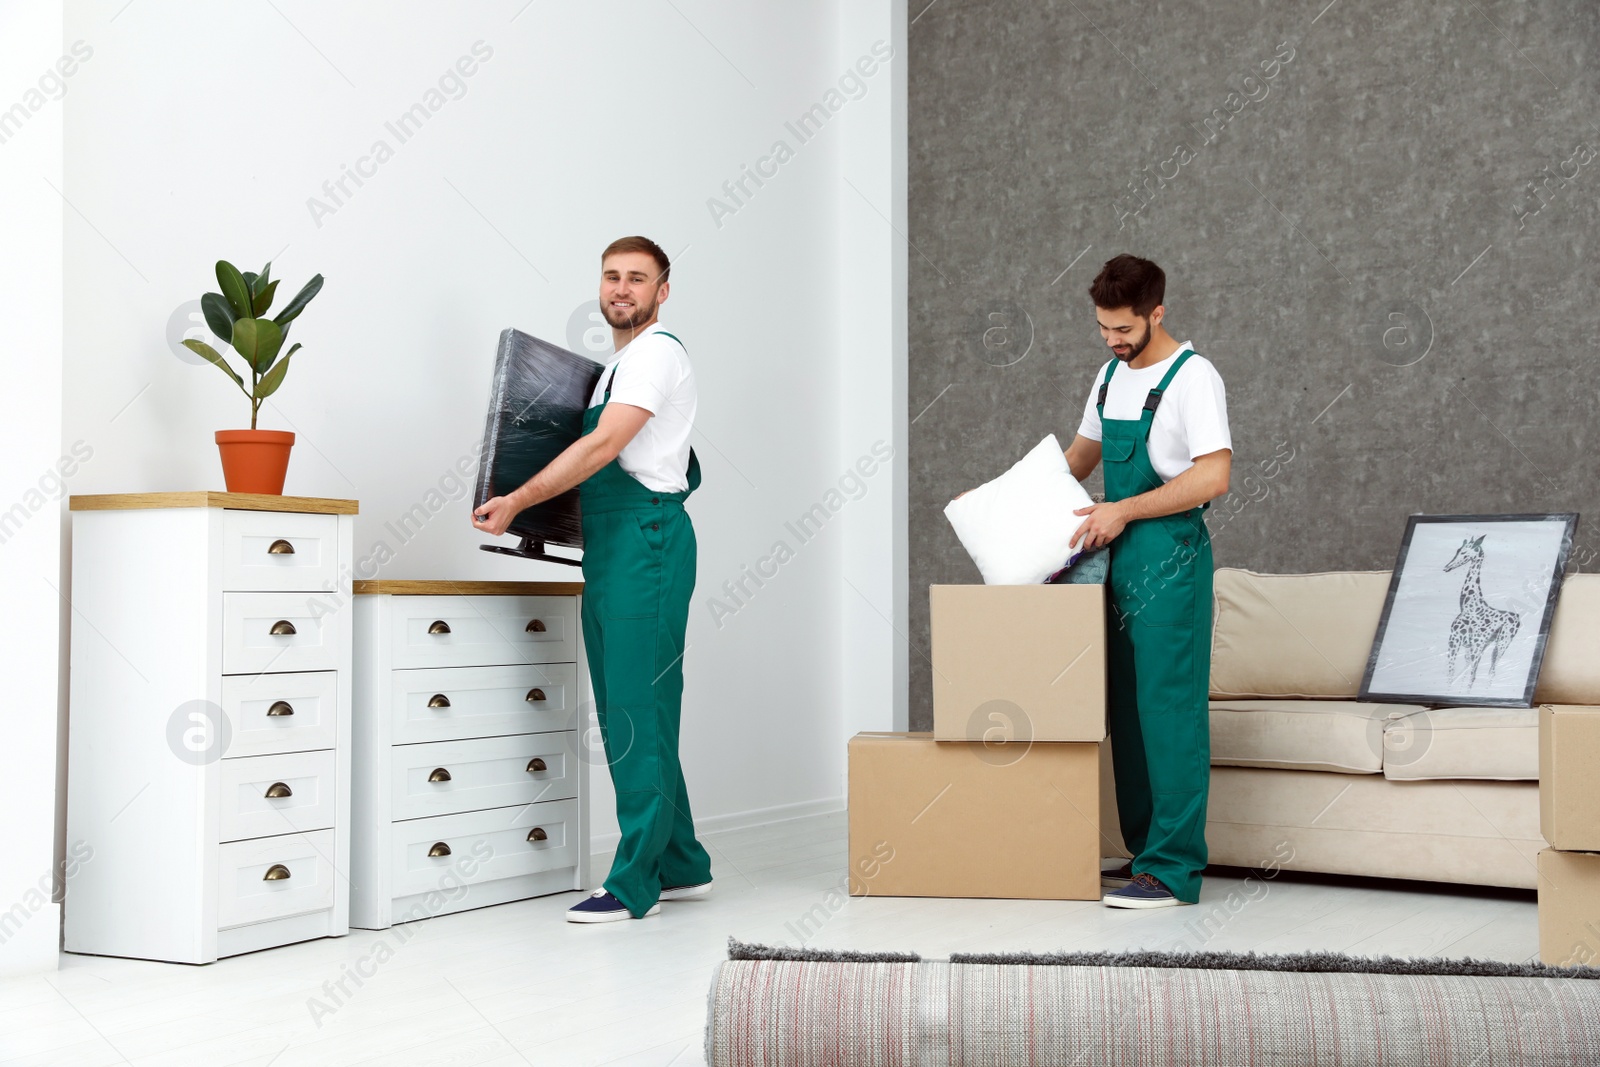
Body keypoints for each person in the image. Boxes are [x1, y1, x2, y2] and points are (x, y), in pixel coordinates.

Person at [473, 235, 713, 923]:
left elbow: (606, 446)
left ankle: (634, 882)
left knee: (637, 708)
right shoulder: (616, 368)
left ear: (662, 291)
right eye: (612, 276)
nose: (622, 289)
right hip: (613, 543)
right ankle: (681, 861)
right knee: (632, 705)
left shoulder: (657, 355)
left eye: (638, 278)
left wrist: (517, 500)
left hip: (647, 540)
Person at [1065, 254, 1232, 909]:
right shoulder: (1109, 376)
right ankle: (1144, 854)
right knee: (1127, 712)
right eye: (1103, 327)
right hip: (1114, 558)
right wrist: (1004, 496)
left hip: (1169, 556)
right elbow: (1080, 459)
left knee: (1168, 712)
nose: (1112, 340)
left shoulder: (1195, 378)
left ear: (1156, 313)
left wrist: (1125, 509)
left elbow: (1213, 476)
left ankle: (1173, 867)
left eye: (1124, 328)